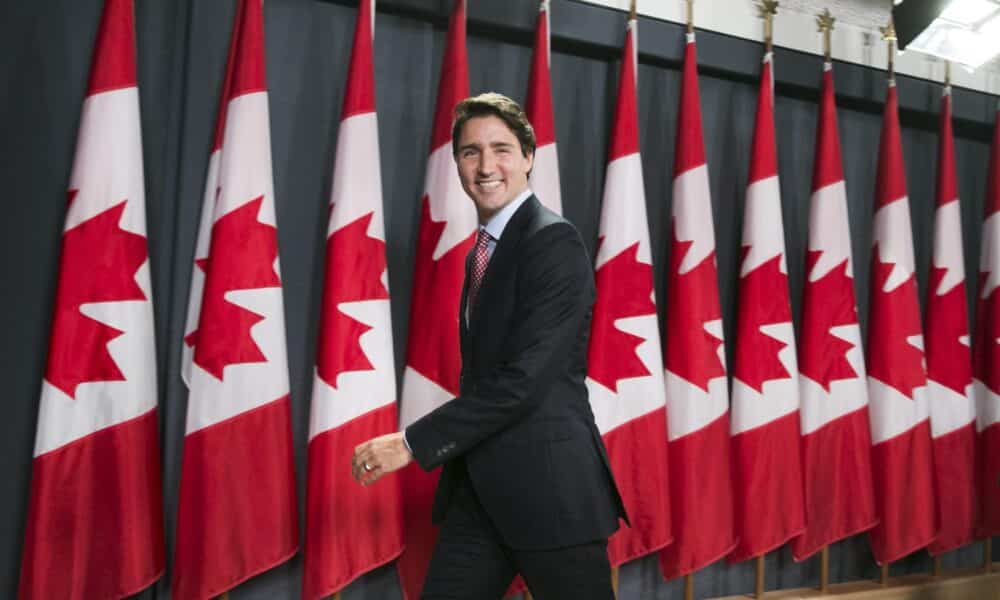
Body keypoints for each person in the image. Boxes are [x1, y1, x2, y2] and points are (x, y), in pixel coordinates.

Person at [351, 92, 626, 599]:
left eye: (501, 149)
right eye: (470, 152)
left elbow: (523, 382)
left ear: (528, 157)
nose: (485, 166)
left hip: (549, 492)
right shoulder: (484, 250)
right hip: (480, 492)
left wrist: (409, 443)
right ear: (456, 163)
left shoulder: (553, 243)